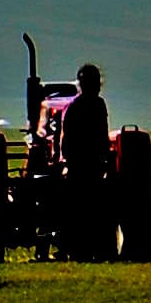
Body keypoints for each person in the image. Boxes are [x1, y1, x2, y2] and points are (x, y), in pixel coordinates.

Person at [52, 63, 114, 260]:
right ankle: (94, 248)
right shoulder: (97, 105)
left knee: (75, 206)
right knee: (93, 206)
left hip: (81, 164)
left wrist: (66, 161)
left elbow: (66, 139)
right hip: (91, 164)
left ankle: (72, 247)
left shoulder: (75, 107)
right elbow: (102, 135)